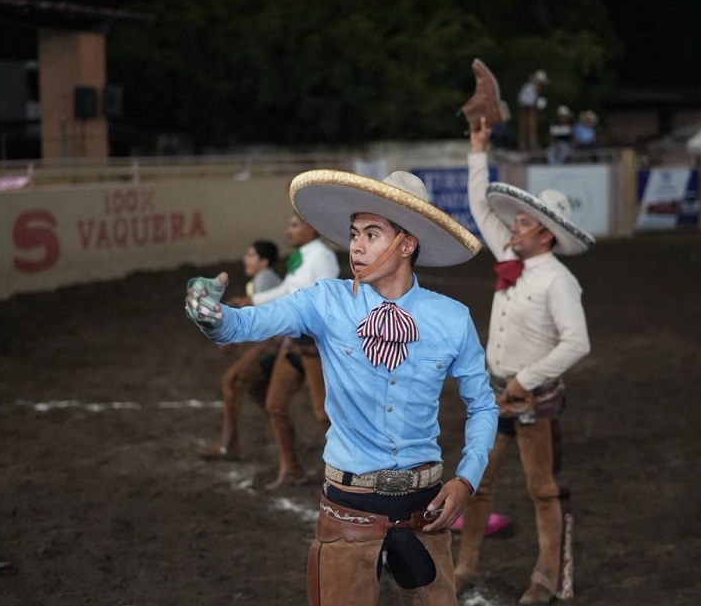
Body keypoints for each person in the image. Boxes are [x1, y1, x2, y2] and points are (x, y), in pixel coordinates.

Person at [185, 169, 498, 605]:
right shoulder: (324, 301)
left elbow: (483, 405)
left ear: (407, 244)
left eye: (373, 233)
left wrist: (467, 479)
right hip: (347, 509)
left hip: (426, 511)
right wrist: (213, 316)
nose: (356, 245)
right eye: (354, 233)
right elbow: (248, 323)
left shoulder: (451, 318)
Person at [456, 117, 594, 604]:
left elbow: (578, 343)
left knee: (543, 490)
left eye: (523, 222)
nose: (513, 225)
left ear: (545, 235)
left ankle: (545, 577)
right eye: (515, 221)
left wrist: (528, 379)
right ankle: (467, 564)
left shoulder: (558, 281)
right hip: (494, 394)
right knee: (478, 482)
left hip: (532, 397)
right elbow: (478, 205)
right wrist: (478, 148)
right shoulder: (512, 257)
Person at [228, 213, 340, 489]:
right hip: (298, 343)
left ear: (311, 228)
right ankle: (291, 468)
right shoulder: (302, 257)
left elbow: (322, 298)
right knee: (276, 404)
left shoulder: (322, 257)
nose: (288, 231)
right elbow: (288, 291)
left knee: (324, 413)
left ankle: (345, 473)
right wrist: (252, 300)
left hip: (314, 345)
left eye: (294, 225)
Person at [198, 239, 283, 460]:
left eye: (251, 255)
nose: (246, 259)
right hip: (279, 343)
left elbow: (268, 322)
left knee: (231, 381)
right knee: (258, 390)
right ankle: (290, 439)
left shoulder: (264, 281)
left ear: (264, 261)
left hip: (276, 344)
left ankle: (228, 445)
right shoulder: (264, 280)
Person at [516, 70, 549, 151]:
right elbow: (523, 99)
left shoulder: (533, 88)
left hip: (530, 109)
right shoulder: (529, 87)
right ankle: (525, 145)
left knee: (531, 128)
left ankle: (531, 145)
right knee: (526, 128)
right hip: (526, 109)